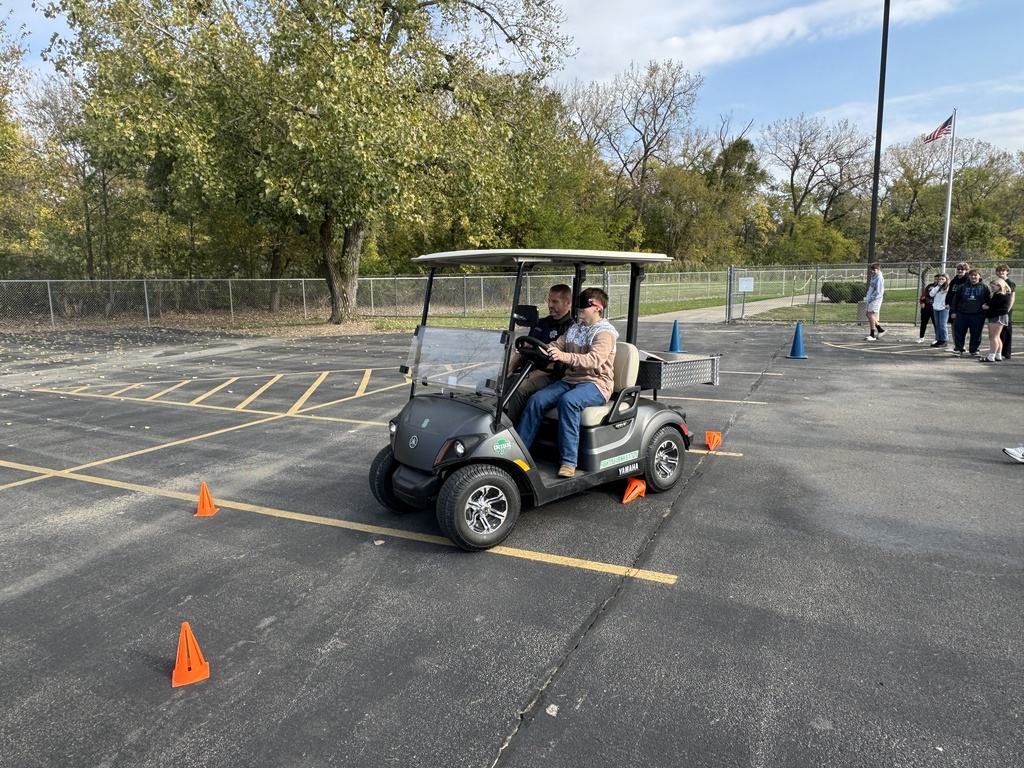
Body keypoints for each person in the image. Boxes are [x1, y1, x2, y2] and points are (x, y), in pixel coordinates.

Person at [516, 287, 617, 478]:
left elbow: (594, 360)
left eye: (584, 305)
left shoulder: (604, 333)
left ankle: (569, 462)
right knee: (537, 400)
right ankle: (520, 455)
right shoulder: (575, 329)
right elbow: (556, 345)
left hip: (596, 384)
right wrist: (541, 350)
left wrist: (563, 356)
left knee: (568, 402)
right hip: (571, 380)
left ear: (597, 307)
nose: (579, 308)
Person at [504, 284, 573, 425]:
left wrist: (530, 375)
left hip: (551, 375)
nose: (549, 305)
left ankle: (512, 432)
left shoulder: (571, 329)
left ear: (567, 303)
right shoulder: (540, 323)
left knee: (521, 388)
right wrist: (510, 367)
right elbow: (524, 348)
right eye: (549, 300)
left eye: (555, 302)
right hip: (529, 370)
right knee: (495, 383)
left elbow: (558, 363)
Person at [949, 268, 990, 357]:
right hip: (962, 313)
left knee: (976, 333)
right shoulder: (962, 287)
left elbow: (988, 301)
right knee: (959, 332)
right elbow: (955, 300)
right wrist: (953, 312)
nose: (973, 277)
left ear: (979, 276)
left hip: (978, 314)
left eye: (975, 275)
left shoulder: (984, 287)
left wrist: (985, 311)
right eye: (971, 275)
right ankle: (959, 349)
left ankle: (974, 350)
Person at [979, 277, 1012, 363]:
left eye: (993, 287)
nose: (992, 289)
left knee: (993, 337)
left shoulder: (999, 296)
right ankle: (998, 355)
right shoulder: (1003, 295)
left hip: (997, 316)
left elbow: (991, 306)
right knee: (997, 337)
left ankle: (991, 356)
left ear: (999, 286)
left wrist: (985, 306)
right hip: (1001, 316)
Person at [995, 265, 1015, 359]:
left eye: (1002, 271)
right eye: (998, 271)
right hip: (998, 309)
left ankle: (1005, 353)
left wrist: (1007, 310)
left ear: (1007, 272)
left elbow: (1012, 297)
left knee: (1006, 331)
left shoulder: (1010, 283)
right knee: (998, 331)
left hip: (1005, 310)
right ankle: (998, 351)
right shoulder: (997, 282)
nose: (1000, 273)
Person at [863, 263, 886, 341]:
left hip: (875, 299)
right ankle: (880, 329)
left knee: (871, 314)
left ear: (878, 270)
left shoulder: (879, 278)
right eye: (872, 270)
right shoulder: (873, 277)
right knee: (867, 314)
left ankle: (872, 335)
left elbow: (878, 292)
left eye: (874, 270)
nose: (872, 271)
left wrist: (871, 298)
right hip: (870, 299)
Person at [928, 273, 951, 348]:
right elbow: (931, 294)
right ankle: (938, 339)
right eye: (940, 279)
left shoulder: (948, 288)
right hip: (936, 308)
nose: (941, 281)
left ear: (946, 280)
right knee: (937, 324)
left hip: (943, 308)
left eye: (943, 279)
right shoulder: (937, 287)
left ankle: (944, 340)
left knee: (942, 324)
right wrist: (938, 286)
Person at [916, 274, 939, 342]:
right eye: (935, 279)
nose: (937, 280)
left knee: (936, 324)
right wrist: (922, 302)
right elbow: (924, 294)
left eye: (938, 279)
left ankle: (937, 338)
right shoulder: (930, 286)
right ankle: (921, 337)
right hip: (926, 307)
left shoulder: (941, 287)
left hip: (935, 308)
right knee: (923, 323)